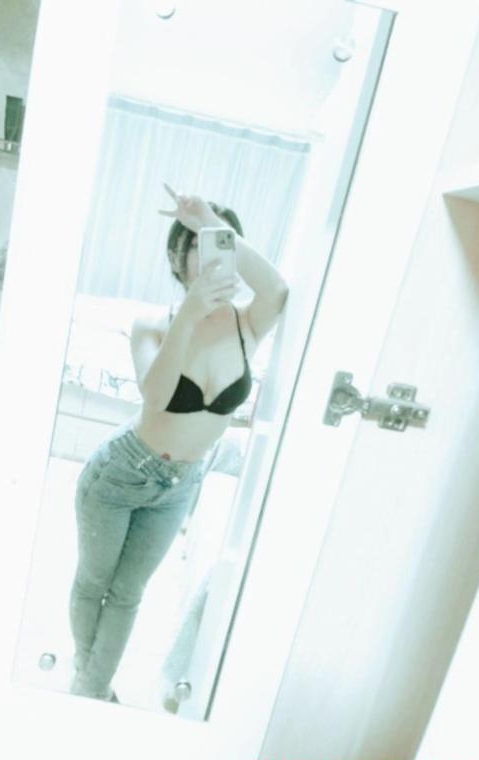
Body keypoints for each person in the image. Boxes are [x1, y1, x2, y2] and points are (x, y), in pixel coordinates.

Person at [69, 183, 289, 702]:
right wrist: (189, 314)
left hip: (181, 484)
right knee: (94, 582)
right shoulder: (153, 324)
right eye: (198, 245)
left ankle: (90, 685)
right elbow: (157, 396)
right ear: (176, 257)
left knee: (128, 593)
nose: (213, 256)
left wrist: (209, 219)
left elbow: (278, 291)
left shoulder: (248, 323)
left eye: (222, 243)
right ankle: (90, 679)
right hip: (120, 473)